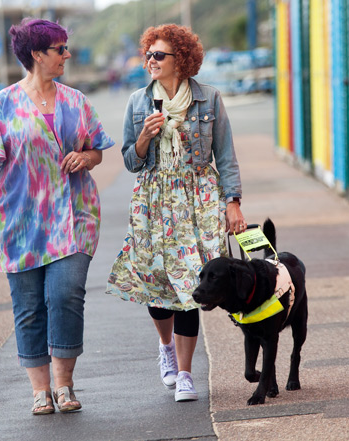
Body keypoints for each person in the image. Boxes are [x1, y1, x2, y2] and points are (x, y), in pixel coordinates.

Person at [0, 18, 114, 415]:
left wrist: (86, 157)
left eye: (67, 48)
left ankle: (64, 385)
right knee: (29, 306)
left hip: (73, 217)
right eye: (60, 49)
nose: (67, 55)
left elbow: (97, 147)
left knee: (66, 295)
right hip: (19, 223)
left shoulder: (76, 101)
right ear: (37, 54)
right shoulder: (3, 103)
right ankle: (40, 390)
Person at [106, 24, 246, 402]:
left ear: (180, 59)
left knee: (190, 288)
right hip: (153, 200)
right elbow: (130, 162)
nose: (151, 61)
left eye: (159, 55)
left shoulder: (209, 99)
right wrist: (144, 138)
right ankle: (165, 348)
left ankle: (185, 374)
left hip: (198, 200)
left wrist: (232, 202)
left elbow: (226, 155)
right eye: (148, 54)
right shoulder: (138, 102)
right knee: (157, 283)